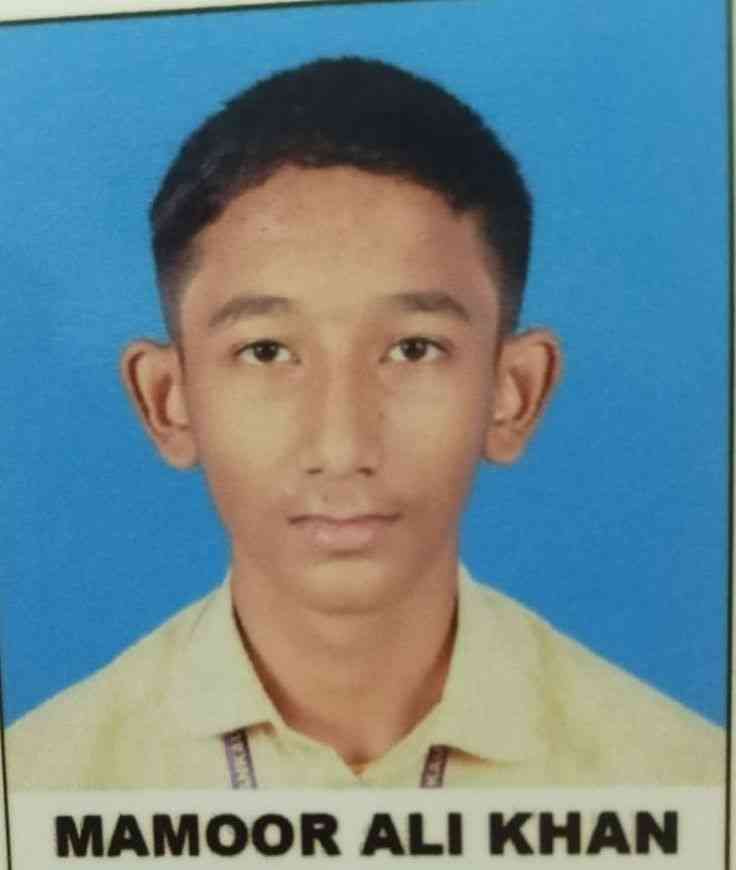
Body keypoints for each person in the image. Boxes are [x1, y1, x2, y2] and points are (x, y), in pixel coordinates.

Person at [7, 57, 723, 789]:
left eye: (413, 349)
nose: (342, 446)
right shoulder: (37, 789)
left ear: (515, 392)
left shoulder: (688, 784)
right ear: (167, 400)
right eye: (266, 351)